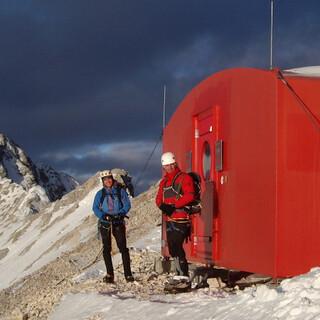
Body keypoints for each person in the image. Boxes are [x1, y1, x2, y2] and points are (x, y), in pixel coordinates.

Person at [156, 152, 195, 284]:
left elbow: (190, 195)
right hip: (170, 219)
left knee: (177, 245)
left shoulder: (184, 178)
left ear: (175, 164)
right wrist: (163, 207)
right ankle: (179, 274)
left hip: (182, 217)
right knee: (172, 247)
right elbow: (158, 199)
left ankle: (183, 274)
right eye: (167, 166)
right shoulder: (164, 182)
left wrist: (174, 206)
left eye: (171, 165)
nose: (169, 168)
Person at [92, 170, 134, 283]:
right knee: (106, 249)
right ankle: (110, 274)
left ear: (112, 178)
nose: (108, 181)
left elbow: (127, 204)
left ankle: (128, 274)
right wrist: (103, 216)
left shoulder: (120, 191)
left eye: (109, 178)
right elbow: (95, 208)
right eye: (105, 179)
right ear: (102, 181)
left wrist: (121, 213)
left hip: (118, 222)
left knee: (123, 248)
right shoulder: (100, 194)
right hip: (105, 224)